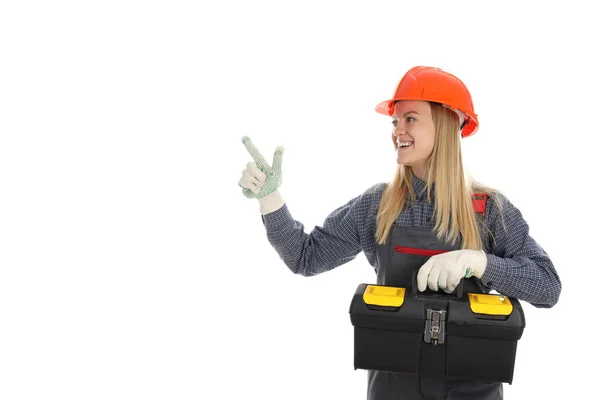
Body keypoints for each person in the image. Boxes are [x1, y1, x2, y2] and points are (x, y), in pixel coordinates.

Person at [237, 66, 561, 400]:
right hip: (394, 388)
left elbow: (548, 286)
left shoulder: (488, 209)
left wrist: (478, 262)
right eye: (395, 122)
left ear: (447, 125)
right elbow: (306, 258)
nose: (397, 131)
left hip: (472, 390)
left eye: (410, 119)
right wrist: (270, 200)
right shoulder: (378, 204)